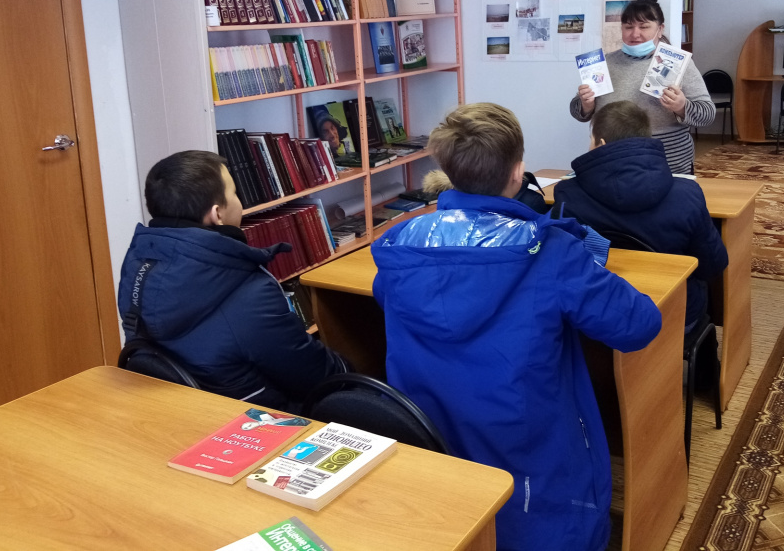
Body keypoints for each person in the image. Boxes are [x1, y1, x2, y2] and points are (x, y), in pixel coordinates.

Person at [371, 103, 662, 551]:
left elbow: (385, 294)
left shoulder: (402, 243)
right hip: (529, 455)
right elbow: (639, 324)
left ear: (448, 171)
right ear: (517, 172)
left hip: (435, 443)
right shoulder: (552, 251)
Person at [116, 150, 349, 411]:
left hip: (179, 413)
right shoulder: (250, 293)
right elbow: (315, 377)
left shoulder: (138, 269)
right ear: (217, 214)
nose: (240, 202)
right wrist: (348, 370)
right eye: (235, 193)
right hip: (256, 420)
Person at [553, 101, 728, 334]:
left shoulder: (567, 194)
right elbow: (712, 265)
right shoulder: (687, 193)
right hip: (673, 313)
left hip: (600, 314)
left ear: (601, 144)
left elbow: (563, 262)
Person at [569, 0, 715, 174]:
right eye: (628, 27)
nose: (635, 34)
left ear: (660, 29)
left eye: (644, 27)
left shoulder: (679, 64)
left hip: (667, 164)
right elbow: (577, 111)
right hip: (612, 162)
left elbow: (707, 114)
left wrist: (682, 107)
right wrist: (586, 105)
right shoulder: (604, 63)